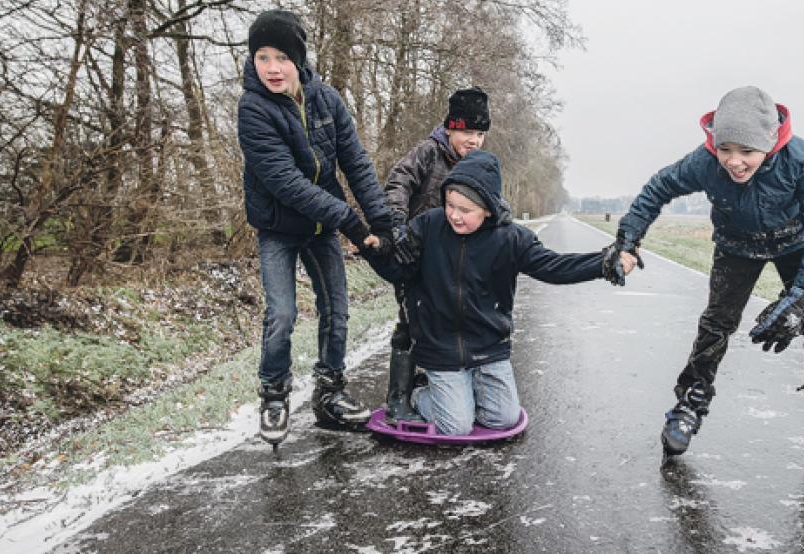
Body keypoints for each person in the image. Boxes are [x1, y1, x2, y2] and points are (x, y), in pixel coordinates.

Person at [607, 86, 804, 459]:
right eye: (725, 150)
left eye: (746, 152)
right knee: (717, 324)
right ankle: (691, 401)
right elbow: (658, 188)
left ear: (770, 142)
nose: (734, 162)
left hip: (794, 242)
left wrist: (801, 298)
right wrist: (627, 241)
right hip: (736, 245)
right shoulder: (703, 162)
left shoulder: (799, 159)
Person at [366, 151, 627, 435]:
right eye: (450, 204)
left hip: (488, 347)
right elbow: (398, 272)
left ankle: (458, 396)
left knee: (504, 418)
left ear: (488, 209)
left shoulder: (512, 239)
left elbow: (555, 267)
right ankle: (418, 393)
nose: (453, 215)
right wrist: (376, 251)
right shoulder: (429, 225)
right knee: (456, 426)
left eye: (465, 210)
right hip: (440, 348)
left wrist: (602, 264)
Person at [238, 10, 394, 446]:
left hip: (322, 225)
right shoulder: (252, 109)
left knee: (337, 310)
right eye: (262, 57)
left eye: (281, 57)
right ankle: (273, 394)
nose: (271, 67)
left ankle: (329, 393)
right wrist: (350, 220)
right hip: (278, 227)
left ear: (299, 59)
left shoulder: (326, 99)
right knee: (283, 314)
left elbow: (356, 163)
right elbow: (285, 183)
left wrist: (381, 220)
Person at [381, 87, 490, 424]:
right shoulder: (429, 152)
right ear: (450, 129)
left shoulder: (477, 165)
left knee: (444, 320)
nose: (472, 140)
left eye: (479, 133)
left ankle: (428, 383)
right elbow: (398, 181)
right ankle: (398, 397)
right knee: (411, 322)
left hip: (451, 260)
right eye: (466, 132)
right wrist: (398, 223)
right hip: (414, 254)